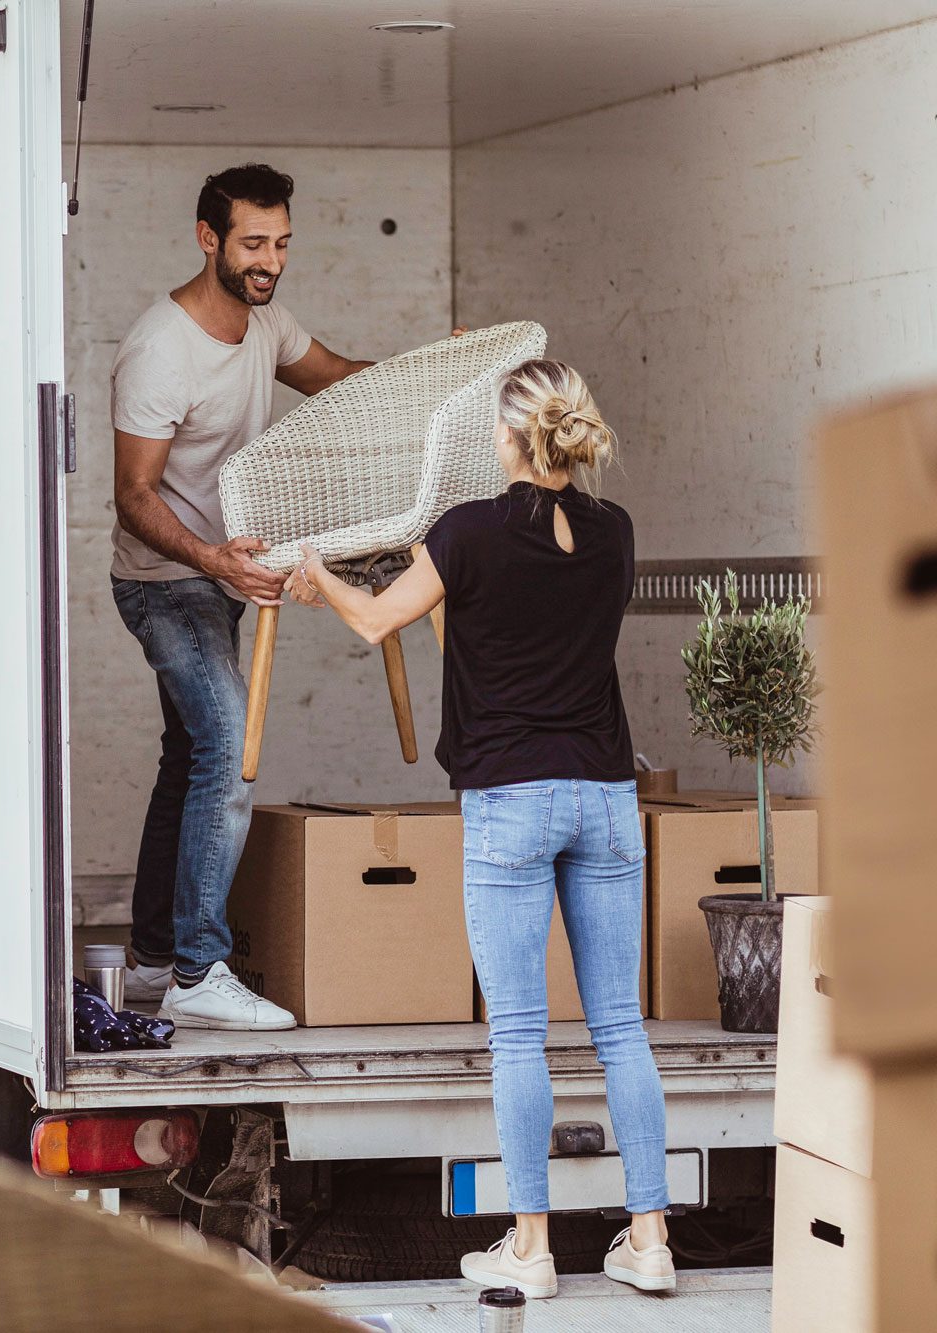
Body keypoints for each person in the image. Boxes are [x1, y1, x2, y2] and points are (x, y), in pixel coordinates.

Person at [289, 359, 673, 1297]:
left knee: (519, 1035)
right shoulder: (614, 534)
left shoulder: (465, 534)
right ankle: (650, 1239)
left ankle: (534, 1249)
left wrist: (318, 578)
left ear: (505, 439)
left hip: (510, 799)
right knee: (621, 1023)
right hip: (604, 797)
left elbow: (379, 620)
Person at [108, 163, 379, 1031]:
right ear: (208, 239)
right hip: (162, 582)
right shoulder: (160, 348)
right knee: (228, 736)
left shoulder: (268, 324)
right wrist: (217, 564)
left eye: (282, 243)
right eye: (254, 243)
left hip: (220, 573)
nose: (271, 260)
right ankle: (199, 966)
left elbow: (340, 375)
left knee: (187, 755)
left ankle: (152, 961)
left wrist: (435, 373)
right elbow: (134, 497)